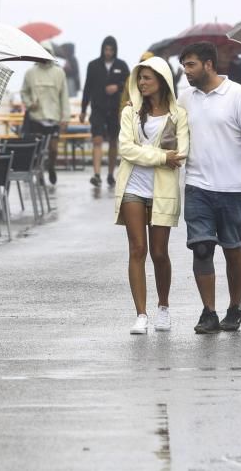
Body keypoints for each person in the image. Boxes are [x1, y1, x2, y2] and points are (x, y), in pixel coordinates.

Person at [178, 42, 241, 334]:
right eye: (184, 66)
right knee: (202, 248)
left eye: (191, 65)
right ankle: (209, 312)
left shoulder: (238, 95)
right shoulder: (184, 98)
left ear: (209, 64)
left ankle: (234, 308)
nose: (186, 71)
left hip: (233, 188)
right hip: (197, 186)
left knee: (233, 250)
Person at [114, 57, 188, 335]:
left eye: (148, 78)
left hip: (163, 190)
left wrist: (161, 157)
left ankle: (164, 307)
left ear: (162, 81)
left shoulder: (177, 114)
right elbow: (126, 150)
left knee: (159, 252)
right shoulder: (129, 113)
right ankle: (140, 314)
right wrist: (160, 156)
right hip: (132, 186)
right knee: (137, 249)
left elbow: (180, 154)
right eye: (140, 78)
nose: (142, 83)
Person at [80, 36, 129, 187]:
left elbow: (129, 85)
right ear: (102, 49)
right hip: (98, 108)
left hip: (115, 109)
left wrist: (118, 87)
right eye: (106, 49)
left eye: (111, 50)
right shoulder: (93, 65)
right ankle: (96, 174)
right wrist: (83, 109)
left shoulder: (121, 65)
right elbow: (87, 88)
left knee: (113, 141)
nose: (108, 52)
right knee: (97, 140)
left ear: (115, 50)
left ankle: (110, 174)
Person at [21, 42, 70, 184]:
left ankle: (51, 166)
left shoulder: (59, 72)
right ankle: (39, 173)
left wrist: (65, 118)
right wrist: (30, 104)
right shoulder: (30, 73)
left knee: (53, 149)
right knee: (37, 149)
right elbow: (24, 92)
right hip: (36, 117)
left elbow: (64, 96)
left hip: (53, 117)